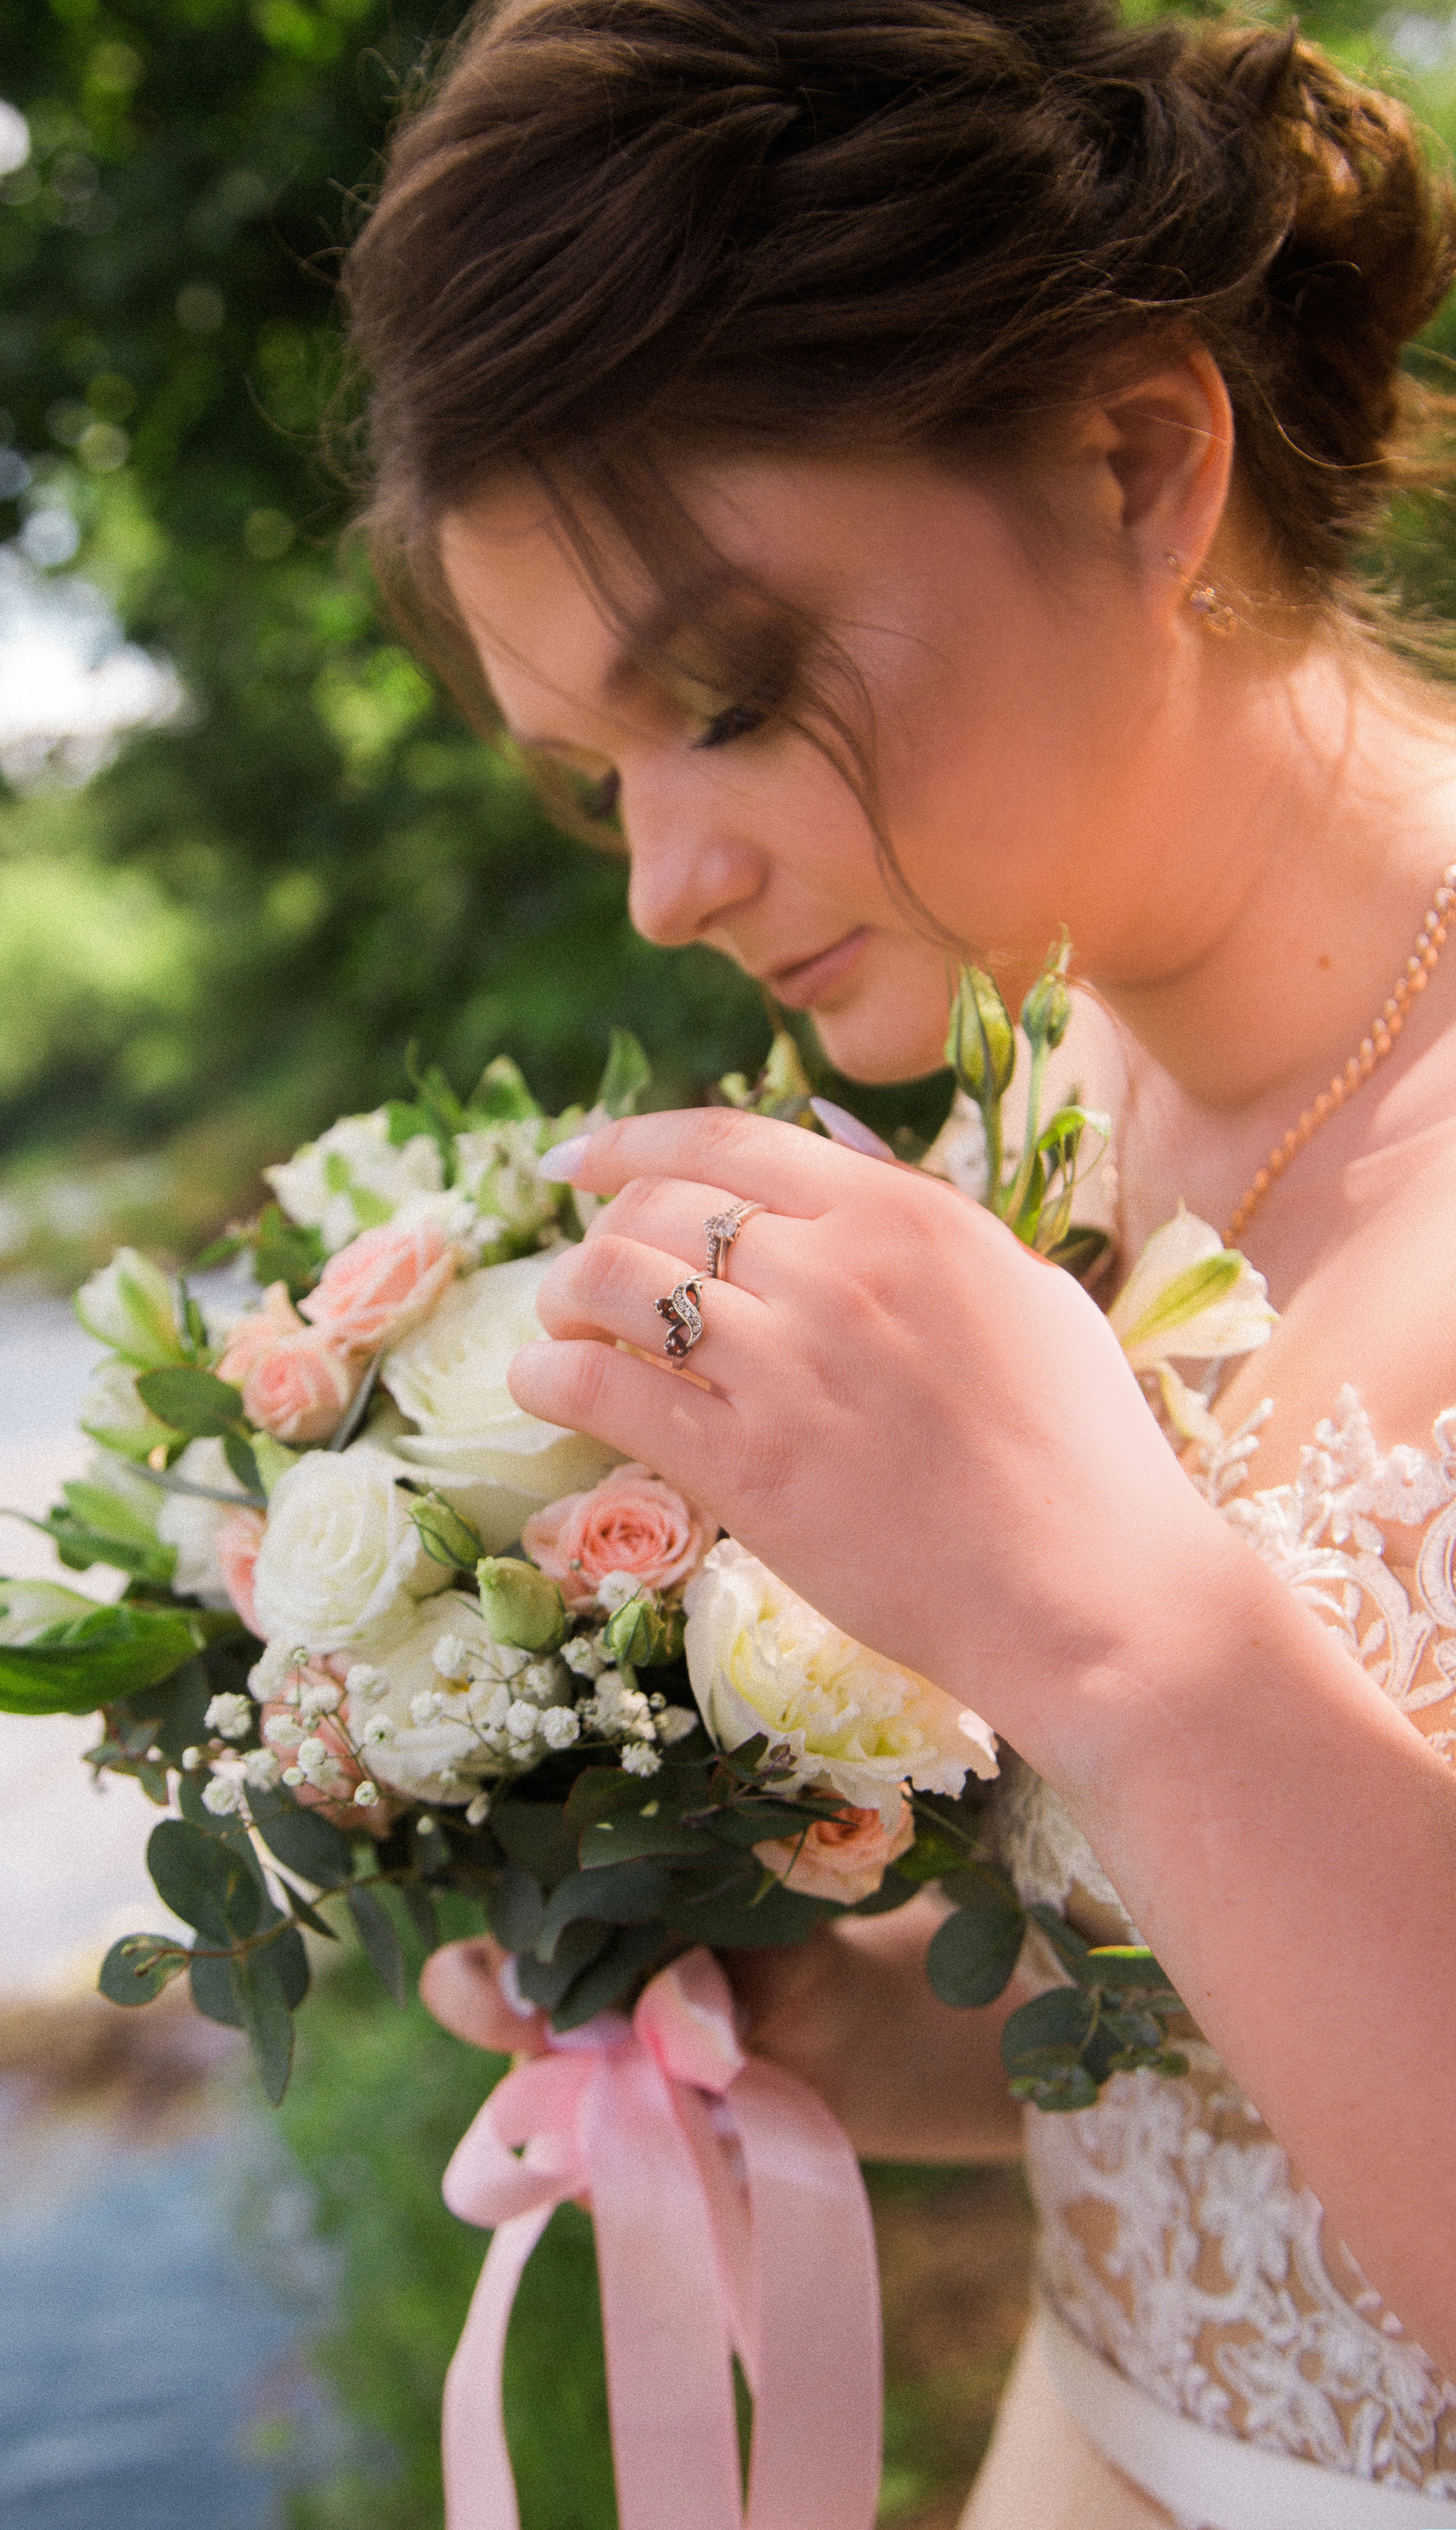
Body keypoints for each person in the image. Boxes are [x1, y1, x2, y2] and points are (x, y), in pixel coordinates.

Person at [342, 1, 1456, 2519]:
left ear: (1140, 459)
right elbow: (1207, 2064)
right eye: (594, 773)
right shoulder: (1023, 1150)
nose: (660, 878)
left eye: (727, 696)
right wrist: (842, 2034)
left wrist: (1122, 1640)